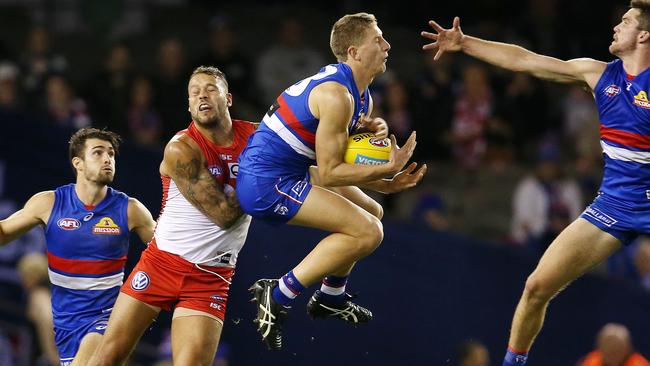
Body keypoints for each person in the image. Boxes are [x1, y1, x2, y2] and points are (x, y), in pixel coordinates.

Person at [421, 1, 650, 365]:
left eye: (625, 22)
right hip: (615, 207)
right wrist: (466, 44)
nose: (615, 27)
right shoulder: (597, 74)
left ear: (644, 34)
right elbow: (527, 60)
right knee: (536, 287)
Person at [237, 12, 426, 351]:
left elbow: (338, 158)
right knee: (369, 231)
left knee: (373, 211)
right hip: (266, 182)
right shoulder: (338, 96)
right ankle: (278, 293)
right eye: (378, 40)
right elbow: (330, 171)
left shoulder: (359, 94)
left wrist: (384, 183)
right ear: (354, 52)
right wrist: (383, 169)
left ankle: (331, 296)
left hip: (291, 168)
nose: (387, 45)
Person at [88, 66, 255, 366]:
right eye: (194, 92)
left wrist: (353, 130)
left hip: (211, 278)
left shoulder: (258, 138)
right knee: (106, 359)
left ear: (228, 98)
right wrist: (263, 177)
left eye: (210, 89)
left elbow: (305, 144)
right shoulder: (181, 148)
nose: (202, 95)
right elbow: (224, 215)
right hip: (161, 263)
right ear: (189, 106)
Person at [0, 127, 156, 366]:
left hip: (107, 319)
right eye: (98, 153)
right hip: (66, 325)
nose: (107, 159)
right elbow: (4, 233)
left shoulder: (130, 209)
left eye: (111, 154)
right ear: (78, 163)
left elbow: (168, 253)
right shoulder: (48, 203)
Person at [16, 252, 59, 366]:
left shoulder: (38, 296)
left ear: (32, 276)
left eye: (23, 275)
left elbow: (47, 320)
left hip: (40, 357)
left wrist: (51, 354)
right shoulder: (41, 294)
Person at [577, 323, 649, 366]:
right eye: (608, 347)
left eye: (617, 348)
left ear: (627, 349)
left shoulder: (639, 364)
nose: (612, 351)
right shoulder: (591, 362)